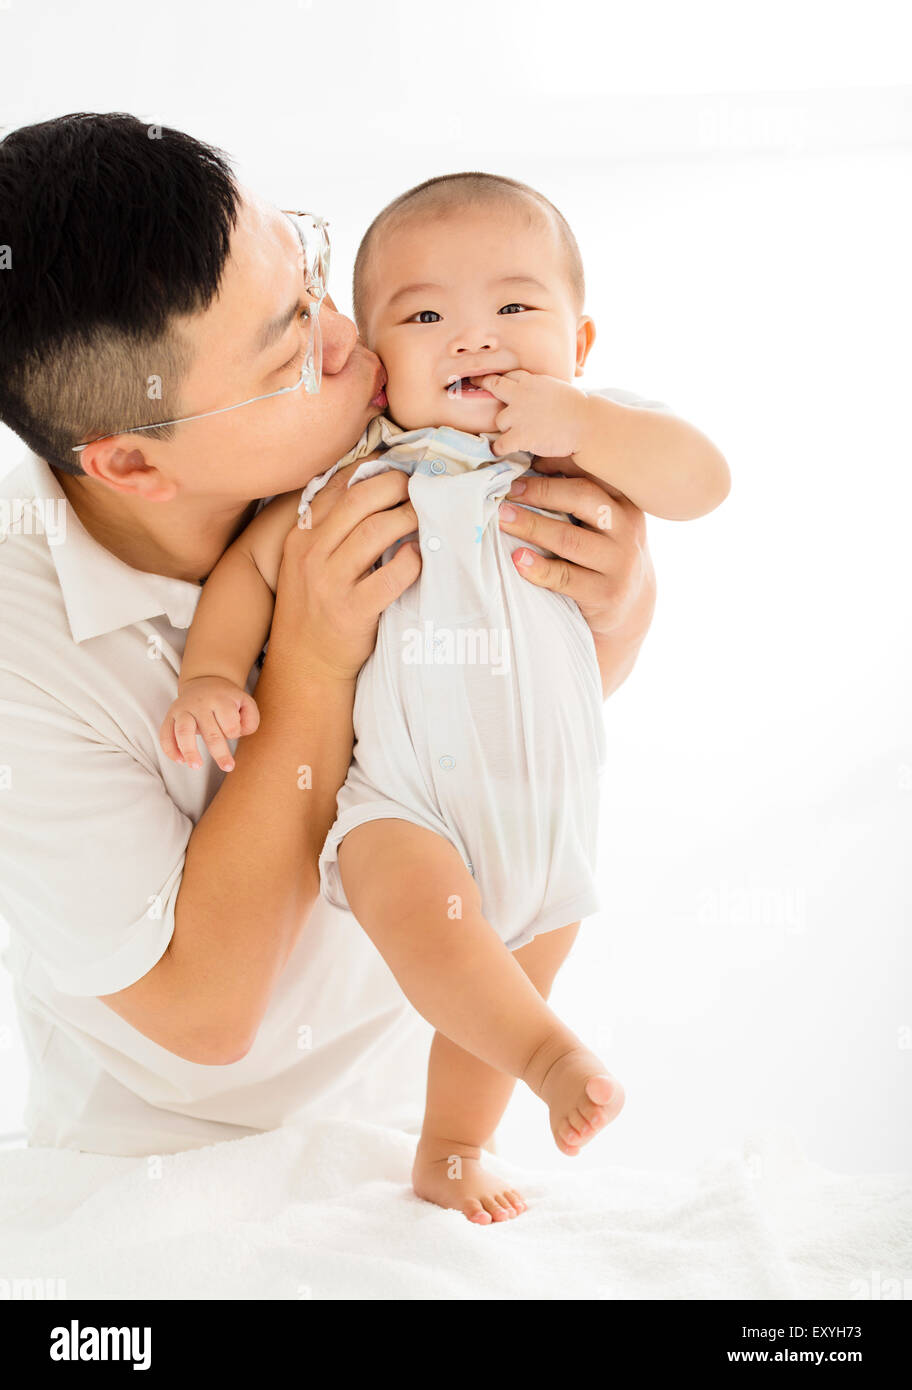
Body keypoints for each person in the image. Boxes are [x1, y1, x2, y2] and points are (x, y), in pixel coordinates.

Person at [0, 114, 658, 1162]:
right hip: (185, 1166)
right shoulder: (19, 660)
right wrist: (306, 666)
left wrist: (609, 605)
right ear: (130, 465)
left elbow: (508, 730)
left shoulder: (387, 434)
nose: (348, 335)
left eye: (305, 269)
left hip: (433, 1094)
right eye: (287, 353)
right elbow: (203, 1012)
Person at [156, 171, 729, 1221]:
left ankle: (455, 1148)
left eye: (515, 307)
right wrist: (206, 675)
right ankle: (552, 1060)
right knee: (446, 943)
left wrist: (589, 426)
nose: (475, 339)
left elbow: (704, 482)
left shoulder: (583, 447)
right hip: (402, 805)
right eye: (426, 317)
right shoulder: (357, 478)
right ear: (377, 370)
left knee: (506, 977)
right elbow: (250, 573)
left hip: (550, 811)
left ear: (582, 342)